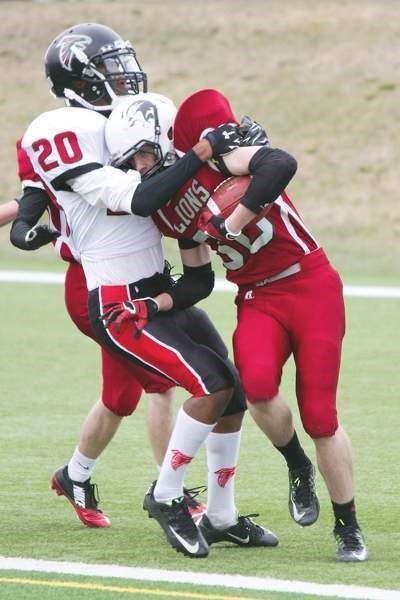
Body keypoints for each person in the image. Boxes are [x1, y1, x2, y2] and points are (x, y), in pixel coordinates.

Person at [19, 24, 278, 559]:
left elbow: (177, 198)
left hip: (157, 288)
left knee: (232, 389)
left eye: (123, 63)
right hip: (114, 296)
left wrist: (230, 150)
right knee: (199, 386)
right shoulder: (59, 127)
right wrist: (201, 151)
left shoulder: (126, 120)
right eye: (108, 68)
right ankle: (168, 496)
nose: (124, 75)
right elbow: (139, 198)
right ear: (78, 81)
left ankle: (223, 514)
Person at [104, 88, 368, 563]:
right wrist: (156, 303)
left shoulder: (221, 156)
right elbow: (200, 279)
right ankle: (296, 464)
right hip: (256, 296)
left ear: (166, 141)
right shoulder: (166, 207)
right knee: (258, 388)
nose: (139, 168)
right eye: (132, 161)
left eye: (144, 154)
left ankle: (347, 525)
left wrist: (234, 220)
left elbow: (281, 163)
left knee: (320, 415)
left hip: (309, 283)